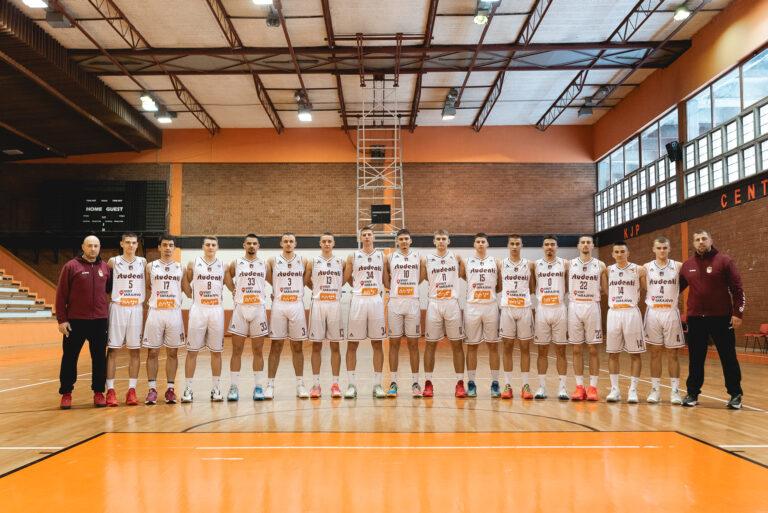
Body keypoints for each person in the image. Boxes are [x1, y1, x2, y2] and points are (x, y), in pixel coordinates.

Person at [679, 230, 745, 409]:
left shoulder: (724, 261)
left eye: (704, 239)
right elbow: (674, 289)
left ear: (710, 240)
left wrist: (738, 313)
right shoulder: (687, 265)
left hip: (721, 318)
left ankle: (735, 394)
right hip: (696, 319)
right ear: (694, 243)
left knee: (728, 357)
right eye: (697, 239)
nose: (701, 242)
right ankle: (692, 393)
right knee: (695, 359)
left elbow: (738, 289)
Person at [55, 235, 112, 409]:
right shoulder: (71, 266)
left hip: (99, 321)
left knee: (99, 359)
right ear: (83, 247)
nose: (93, 249)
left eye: (96, 246)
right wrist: (62, 320)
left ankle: (98, 392)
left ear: (99, 248)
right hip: (75, 321)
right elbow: (61, 295)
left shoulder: (105, 268)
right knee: (69, 358)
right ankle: (66, 393)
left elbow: (108, 290)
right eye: (89, 245)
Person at [344, 226, 389, 399]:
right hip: (358, 301)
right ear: (360, 238)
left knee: (377, 343)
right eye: (364, 235)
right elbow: (347, 278)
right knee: (352, 344)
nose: (367, 237)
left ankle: (377, 385)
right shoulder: (353, 256)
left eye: (370, 234)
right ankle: (351, 385)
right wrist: (358, 288)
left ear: (373, 237)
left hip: (376, 301)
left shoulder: (382, 256)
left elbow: (385, 280)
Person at [142, 234, 186, 404]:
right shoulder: (150, 266)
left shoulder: (181, 267)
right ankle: (152, 389)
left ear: (174, 248)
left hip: (174, 313)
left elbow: (185, 288)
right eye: (165, 245)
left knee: (172, 352)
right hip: (156, 312)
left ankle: (170, 389)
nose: (168, 248)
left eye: (171, 245)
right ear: (159, 247)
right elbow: (148, 286)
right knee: (152, 352)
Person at [422, 229, 467, 398]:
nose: (441, 241)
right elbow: (424, 278)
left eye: (444, 239)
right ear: (434, 241)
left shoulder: (456, 258)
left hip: (452, 304)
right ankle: (428, 383)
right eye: (438, 239)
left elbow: (464, 276)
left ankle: (460, 383)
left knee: (457, 345)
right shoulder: (427, 259)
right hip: (434, 303)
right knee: (430, 344)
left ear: (449, 241)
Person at [181, 236, 226, 403]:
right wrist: (189, 294)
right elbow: (186, 283)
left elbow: (228, 284)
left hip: (216, 311)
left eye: (213, 245)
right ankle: (188, 389)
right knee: (192, 351)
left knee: (216, 352)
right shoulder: (193, 263)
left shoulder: (223, 265)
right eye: (208, 244)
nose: (210, 247)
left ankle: (216, 389)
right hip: (198, 310)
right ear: (203, 247)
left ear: (217, 247)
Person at [225, 234, 269, 401]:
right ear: (244, 245)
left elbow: (274, 280)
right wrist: (233, 289)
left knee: (258, 350)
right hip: (240, 309)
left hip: (258, 309)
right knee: (237, 350)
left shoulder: (264, 264)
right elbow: (226, 275)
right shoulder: (236, 263)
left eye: (254, 243)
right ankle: (233, 387)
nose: (251, 246)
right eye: (249, 243)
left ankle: (258, 387)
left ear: (258, 246)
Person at [266, 233, 309, 399]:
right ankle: (270, 385)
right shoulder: (272, 261)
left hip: (296, 304)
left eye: (291, 241)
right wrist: (277, 289)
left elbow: (305, 281)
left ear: (295, 243)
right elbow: (269, 278)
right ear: (281, 243)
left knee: (297, 346)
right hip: (279, 305)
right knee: (275, 346)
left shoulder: (303, 261)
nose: (288, 243)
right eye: (286, 241)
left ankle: (300, 385)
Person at [105, 233, 146, 407]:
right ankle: (110, 391)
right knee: (112, 350)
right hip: (118, 307)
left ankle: (132, 390)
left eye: (133, 243)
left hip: (136, 308)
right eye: (127, 242)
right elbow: (106, 286)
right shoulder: (113, 262)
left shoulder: (143, 262)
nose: (130, 245)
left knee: (135, 351)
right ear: (121, 243)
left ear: (137, 245)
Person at [643, 237, 685, 405]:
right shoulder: (646, 268)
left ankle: (675, 391)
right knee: (655, 352)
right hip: (653, 312)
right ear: (653, 249)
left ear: (669, 249)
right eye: (659, 248)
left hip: (671, 312)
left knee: (673, 353)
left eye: (664, 248)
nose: (662, 250)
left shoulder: (678, 266)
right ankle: (655, 390)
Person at [605, 242, 647, 404]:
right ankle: (614, 389)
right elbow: (605, 290)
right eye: (616, 252)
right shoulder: (608, 270)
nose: (620, 254)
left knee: (635, 354)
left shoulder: (639, 269)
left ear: (628, 253)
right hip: (614, 312)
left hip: (631, 312)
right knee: (612, 353)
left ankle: (633, 390)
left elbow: (646, 288)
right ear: (612, 254)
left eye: (622, 251)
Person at [306, 232, 345, 399]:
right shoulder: (313, 262)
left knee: (335, 346)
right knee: (316, 346)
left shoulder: (341, 262)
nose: (327, 244)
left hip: (334, 304)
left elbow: (343, 280)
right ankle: (316, 385)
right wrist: (316, 290)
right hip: (318, 304)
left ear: (333, 243)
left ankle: (335, 384)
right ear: (320, 243)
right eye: (324, 241)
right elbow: (306, 280)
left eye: (330, 241)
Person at [462, 233, 501, 398]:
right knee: (472, 346)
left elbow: (499, 284)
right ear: (474, 244)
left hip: (490, 306)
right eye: (477, 241)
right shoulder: (467, 262)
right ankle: (471, 383)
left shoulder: (496, 262)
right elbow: (464, 277)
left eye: (483, 241)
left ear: (487, 244)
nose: (480, 244)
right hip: (472, 307)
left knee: (493, 346)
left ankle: (495, 383)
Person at [567, 235, 606, 402]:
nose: (585, 245)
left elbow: (605, 288)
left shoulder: (600, 265)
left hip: (592, 306)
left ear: (592, 246)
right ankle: (579, 386)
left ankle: (593, 387)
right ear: (578, 246)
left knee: (593, 349)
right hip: (574, 306)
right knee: (576, 349)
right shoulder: (569, 264)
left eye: (588, 242)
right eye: (582, 242)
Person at [386, 229, 422, 398]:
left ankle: (415, 383)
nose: (404, 241)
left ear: (411, 240)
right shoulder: (390, 257)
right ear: (397, 241)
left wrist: (412, 286)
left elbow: (421, 277)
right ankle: (393, 382)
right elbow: (385, 278)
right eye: (401, 239)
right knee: (394, 344)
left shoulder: (419, 257)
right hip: (395, 302)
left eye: (406, 239)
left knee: (413, 344)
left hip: (412, 302)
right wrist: (393, 287)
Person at [533, 236, 570, 400]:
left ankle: (563, 388)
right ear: (543, 247)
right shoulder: (535, 265)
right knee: (542, 350)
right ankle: (542, 387)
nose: (549, 247)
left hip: (559, 308)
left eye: (552, 244)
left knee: (561, 350)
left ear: (557, 246)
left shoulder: (565, 264)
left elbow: (568, 285)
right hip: (542, 309)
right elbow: (532, 286)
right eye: (547, 244)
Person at [499, 235, 536, 400]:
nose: (514, 246)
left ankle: (525, 385)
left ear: (521, 245)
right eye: (512, 244)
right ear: (508, 245)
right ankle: (507, 385)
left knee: (525, 347)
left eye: (517, 244)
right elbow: (498, 285)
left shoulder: (529, 264)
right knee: (507, 347)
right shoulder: (501, 264)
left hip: (524, 308)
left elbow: (533, 286)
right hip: (507, 308)